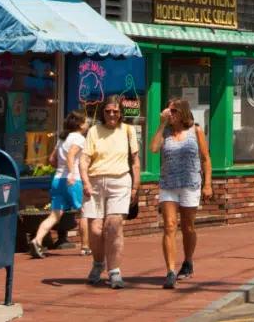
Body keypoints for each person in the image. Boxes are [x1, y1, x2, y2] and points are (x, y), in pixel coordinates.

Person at [150, 98, 212, 289]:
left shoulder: (196, 131)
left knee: (188, 227)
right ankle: (170, 271)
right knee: (169, 226)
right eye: (169, 111)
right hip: (169, 184)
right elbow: (153, 149)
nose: (171, 114)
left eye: (174, 111)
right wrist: (161, 124)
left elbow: (205, 158)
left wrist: (208, 184)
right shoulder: (166, 131)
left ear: (183, 112)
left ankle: (188, 260)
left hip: (190, 183)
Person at [79, 95, 140, 289]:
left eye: (116, 111)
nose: (112, 114)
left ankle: (114, 271)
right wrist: (86, 182)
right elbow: (84, 160)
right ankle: (98, 264)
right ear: (102, 112)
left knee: (114, 225)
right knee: (96, 230)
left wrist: (135, 188)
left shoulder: (128, 131)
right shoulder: (93, 131)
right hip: (95, 182)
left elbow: (136, 162)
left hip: (120, 180)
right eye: (108, 111)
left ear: (121, 113)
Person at [30, 110, 89, 259]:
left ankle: (37, 240)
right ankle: (85, 247)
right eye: (86, 121)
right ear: (80, 124)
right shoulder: (79, 138)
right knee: (84, 213)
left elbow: (51, 159)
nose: (88, 124)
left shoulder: (62, 139)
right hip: (73, 179)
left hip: (57, 180)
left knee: (55, 215)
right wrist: (70, 173)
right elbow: (70, 155)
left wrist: (62, 170)